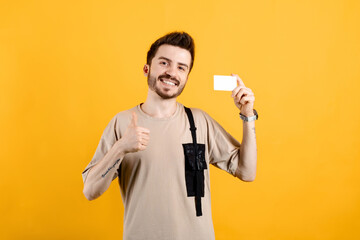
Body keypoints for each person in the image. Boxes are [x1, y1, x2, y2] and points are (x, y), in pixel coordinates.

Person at [82, 31, 257, 240]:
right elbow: (90, 191)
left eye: (181, 67)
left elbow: (247, 172)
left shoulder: (199, 122)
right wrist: (120, 148)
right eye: (164, 63)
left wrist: (248, 116)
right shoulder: (122, 123)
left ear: (186, 77)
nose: (172, 72)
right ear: (147, 69)